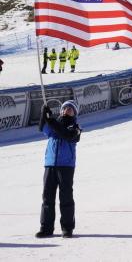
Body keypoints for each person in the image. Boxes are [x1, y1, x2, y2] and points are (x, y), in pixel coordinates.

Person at [36, 99, 82, 238]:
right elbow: (42, 128)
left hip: (66, 166)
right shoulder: (54, 125)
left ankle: (67, 228)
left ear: (74, 112)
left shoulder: (75, 128)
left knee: (66, 197)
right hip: (50, 164)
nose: (66, 110)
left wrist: (51, 120)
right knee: (47, 197)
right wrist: (43, 115)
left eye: (70, 109)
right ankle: (46, 228)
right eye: (64, 108)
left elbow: (66, 135)